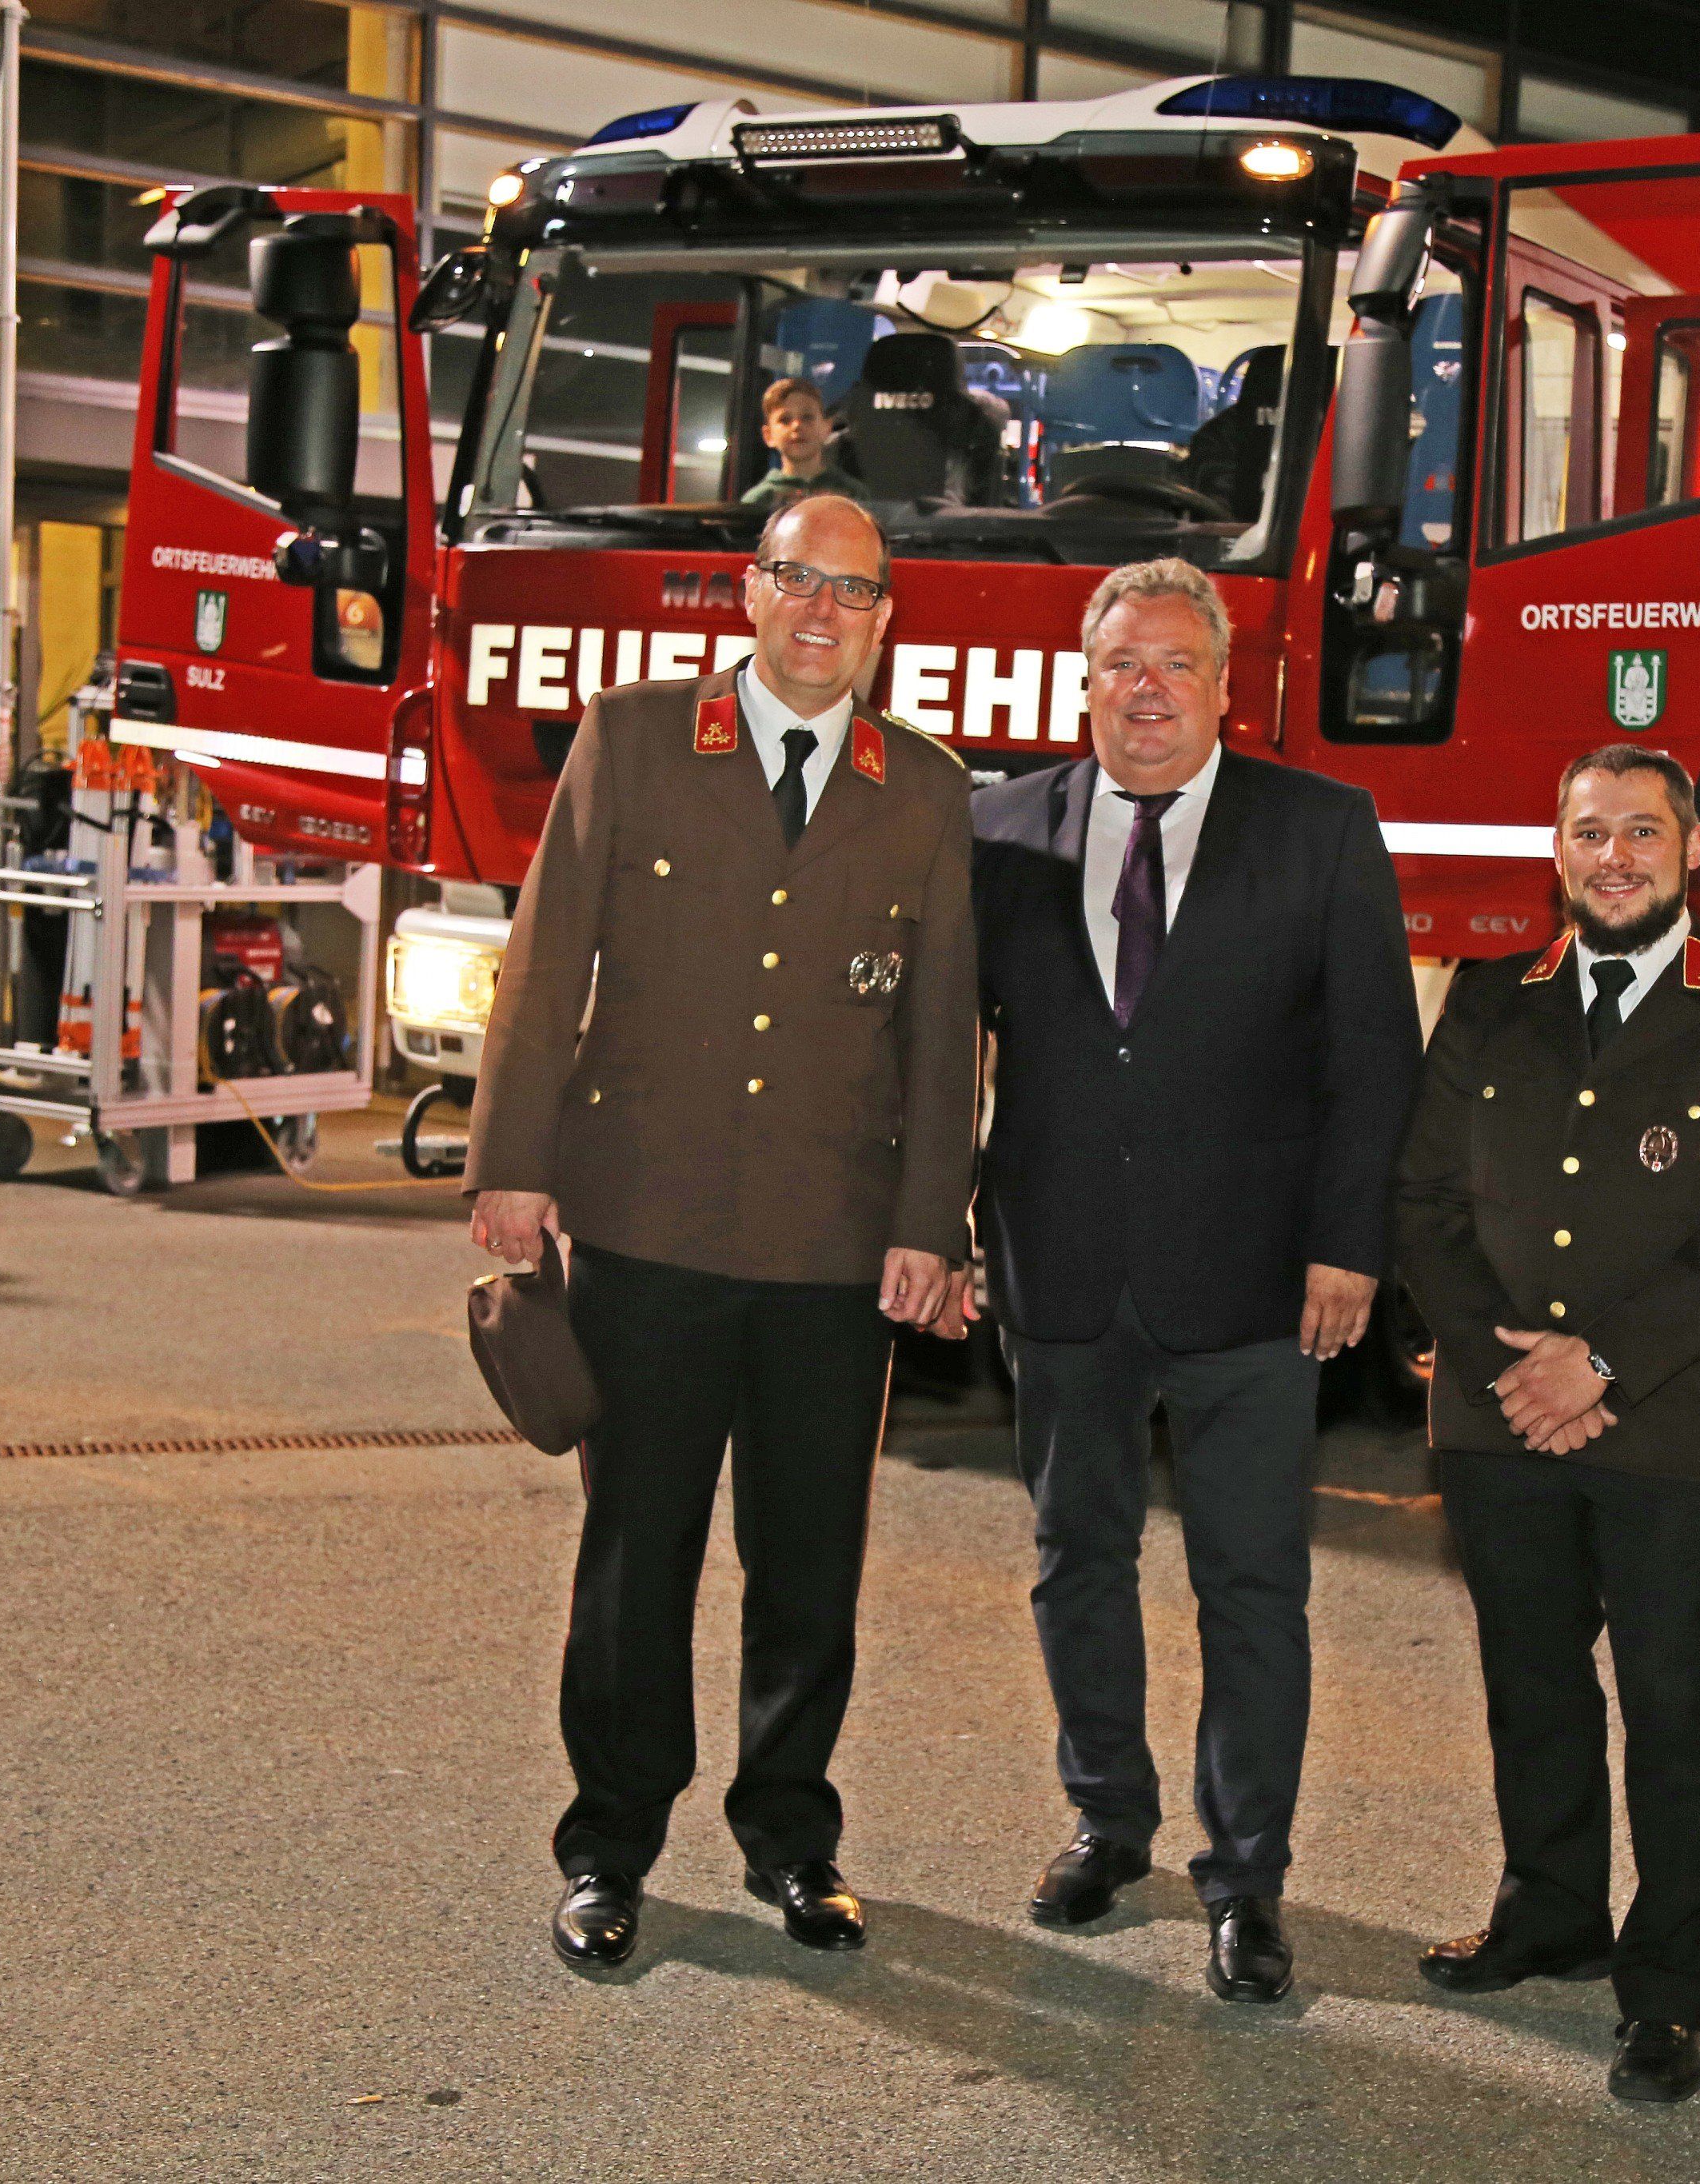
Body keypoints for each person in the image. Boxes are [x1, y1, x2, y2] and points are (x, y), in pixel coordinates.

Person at [464, 492, 977, 1969]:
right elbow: (546, 956)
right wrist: (512, 1157)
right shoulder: (633, 739)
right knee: (638, 1556)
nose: (826, 614)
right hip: (649, 1222)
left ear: (887, 620)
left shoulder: (926, 789)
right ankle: (609, 1845)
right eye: (801, 582)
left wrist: (928, 1223)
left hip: (832, 1248)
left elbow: (945, 1037)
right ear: (748, 594)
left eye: (857, 594)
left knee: (810, 1562)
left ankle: (792, 1838)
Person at [964, 556, 1423, 2003]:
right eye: (1120, 664)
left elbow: (1373, 1064)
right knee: (1073, 1559)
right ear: (1084, 680)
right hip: (1062, 1274)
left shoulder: (1323, 829)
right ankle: (1108, 1821)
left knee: (1252, 1590)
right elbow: (937, 1041)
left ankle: (1247, 1877)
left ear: (1227, 687)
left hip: (1256, 1284)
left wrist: (1353, 1249)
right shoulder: (998, 827)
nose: (1146, 689)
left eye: (1175, 664)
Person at [1394, 744, 1700, 2106]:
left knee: (1676, 1708)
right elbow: (1422, 1202)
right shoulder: (1487, 1000)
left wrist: (1601, 1366)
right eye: (1590, 832)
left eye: (1642, 832)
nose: (1616, 857)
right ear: (1557, 851)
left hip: (1670, 1431)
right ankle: (1551, 1912)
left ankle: (1671, 1989)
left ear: (1692, 849)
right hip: (1495, 1421)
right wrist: (1501, 1367)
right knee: (1531, 1685)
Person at [738, 377, 868, 511]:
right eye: (785, 420)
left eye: (807, 417)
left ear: (827, 428)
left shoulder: (854, 494)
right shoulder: (758, 499)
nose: (797, 426)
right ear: (768, 435)